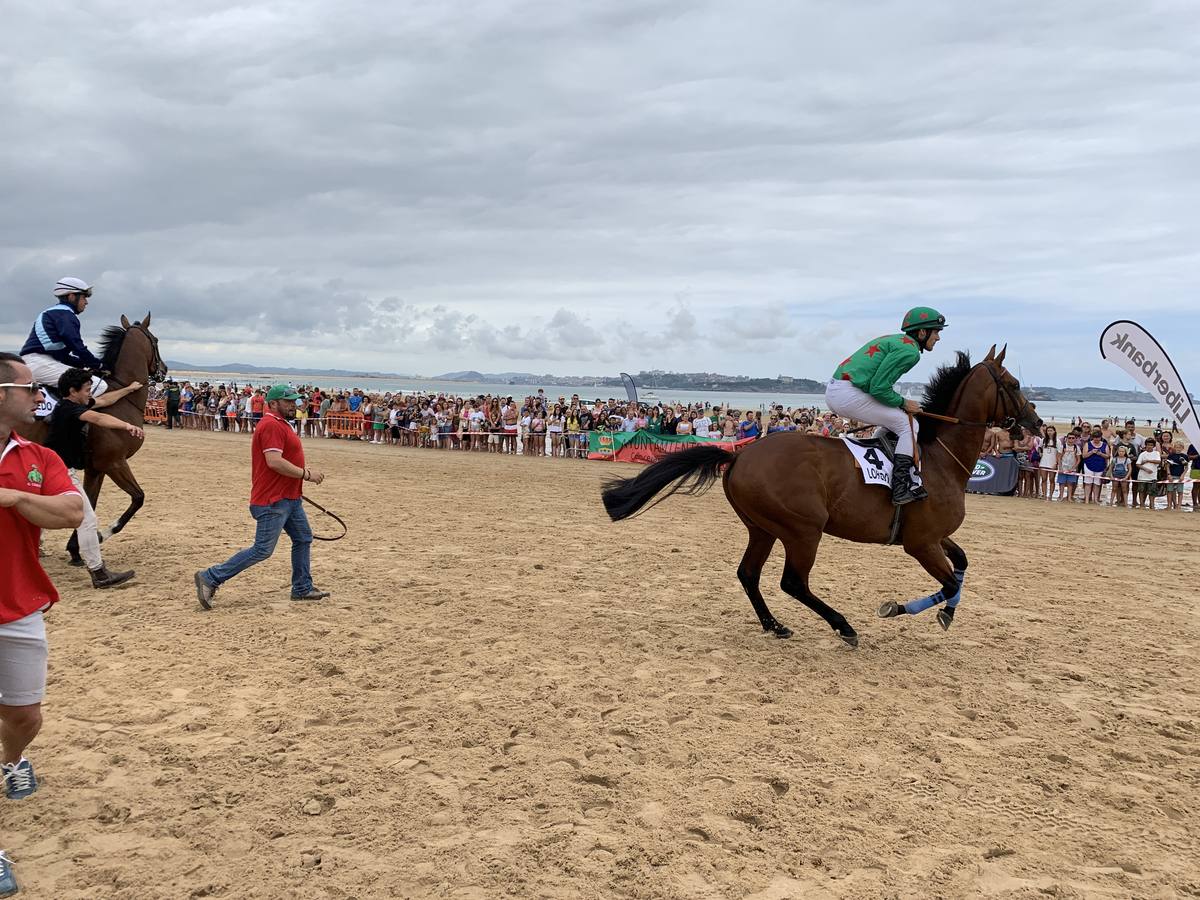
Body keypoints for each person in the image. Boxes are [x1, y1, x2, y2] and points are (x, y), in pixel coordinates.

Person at [0, 352, 86, 814]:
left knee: (25, 715)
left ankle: (13, 760)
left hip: (18, 602)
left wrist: (13, 497)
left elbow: (72, 512)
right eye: (30, 388)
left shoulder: (40, 455)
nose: (40, 395)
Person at [193, 386, 330, 610]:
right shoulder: (271, 425)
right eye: (288, 401)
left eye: (294, 401)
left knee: (303, 538)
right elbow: (274, 461)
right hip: (273, 500)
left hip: (288, 498)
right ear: (274, 403)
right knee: (262, 549)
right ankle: (210, 577)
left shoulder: (279, 424)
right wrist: (305, 474)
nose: (293, 405)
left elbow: (281, 459)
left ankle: (302, 587)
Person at [826, 307, 947, 505]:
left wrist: (900, 405)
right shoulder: (910, 352)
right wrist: (904, 402)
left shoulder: (897, 340)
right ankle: (901, 486)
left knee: (895, 421)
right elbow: (879, 388)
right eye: (936, 331)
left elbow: (877, 387)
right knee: (909, 426)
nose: (938, 337)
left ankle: (876, 467)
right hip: (848, 393)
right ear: (922, 332)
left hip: (842, 389)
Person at [45, 368, 143, 588]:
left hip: (49, 469)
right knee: (87, 520)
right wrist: (127, 425)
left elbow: (104, 401)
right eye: (87, 390)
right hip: (58, 471)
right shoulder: (70, 410)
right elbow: (98, 417)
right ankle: (99, 573)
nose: (90, 394)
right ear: (73, 391)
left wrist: (129, 389)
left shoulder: (72, 405)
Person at [19, 277, 109, 400]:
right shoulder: (65, 315)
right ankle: (63, 415)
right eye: (84, 297)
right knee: (99, 385)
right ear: (72, 296)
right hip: (39, 363)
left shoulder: (53, 313)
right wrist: (99, 365)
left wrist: (83, 365)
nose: (86, 302)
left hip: (38, 362)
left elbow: (63, 356)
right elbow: (77, 346)